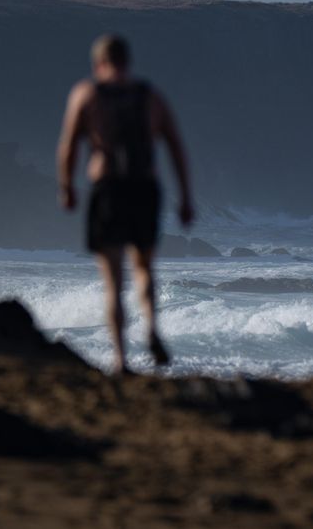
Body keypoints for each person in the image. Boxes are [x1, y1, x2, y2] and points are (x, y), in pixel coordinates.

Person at [57, 34, 194, 375]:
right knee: (145, 269)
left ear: (97, 63)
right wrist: (186, 197)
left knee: (114, 281)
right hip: (145, 189)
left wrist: (67, 188)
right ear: (128, 61)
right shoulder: (151, 97)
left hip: (109, 190)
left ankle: (121, 359)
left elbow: (69, 146)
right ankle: (151, 328)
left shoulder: (86, 94)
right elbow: (176, 147)